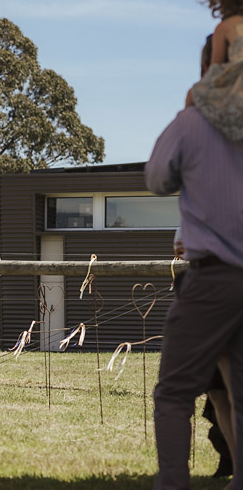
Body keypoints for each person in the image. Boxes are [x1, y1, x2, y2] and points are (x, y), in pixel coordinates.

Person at [146, 81, 243, 488]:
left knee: (174, 394)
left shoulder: (195, 122)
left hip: (215, 279)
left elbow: (157, 179)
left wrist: (190, 110)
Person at [189, 0, 243, 142]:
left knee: (193, 95)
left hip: (238, 88)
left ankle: (192, 135)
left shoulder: (225, 27)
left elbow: (215, 71)